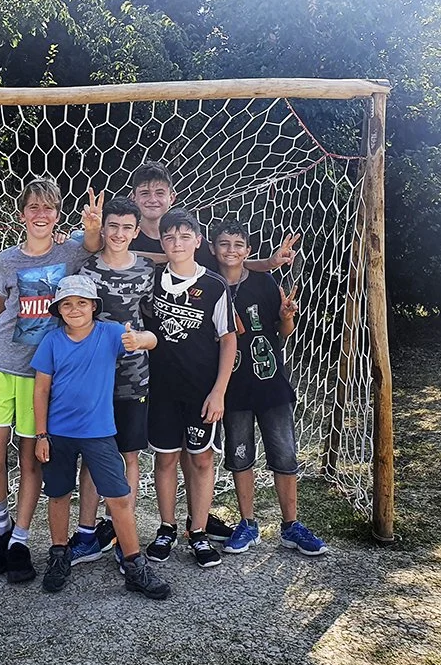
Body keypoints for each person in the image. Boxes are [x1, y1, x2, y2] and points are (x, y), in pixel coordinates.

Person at [128, 161, 299, 542]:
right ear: (134, 200)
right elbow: (101, 251)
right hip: (153, 372)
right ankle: (158, 525)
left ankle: (198, 522)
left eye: (160, 192)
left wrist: (270, 264)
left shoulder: (197, 251)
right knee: (162, 454)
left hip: (202, 374)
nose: (153, 199)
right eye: (145, 193)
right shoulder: (127, 232)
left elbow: (231, 261)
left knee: (199, 454)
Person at [0, 179, 102, 584]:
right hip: (0, 364)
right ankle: (0, 527)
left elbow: (98, 244)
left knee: (32, 459)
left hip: (41, 373)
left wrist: (92, 224)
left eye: (48, 207)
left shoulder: (69, 251)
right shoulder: (6, 259)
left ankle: (20, 539)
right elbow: (1, 306)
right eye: (33, 207)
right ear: (22, 215)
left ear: (58, 215)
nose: (41, 214)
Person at [31, 274, 171, 599]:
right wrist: (41, 435)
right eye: (67, 304)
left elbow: (153, 339)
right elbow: (40, 390)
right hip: (58, 434)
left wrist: (139, 340)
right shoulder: (51, 341)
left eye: (82, 303)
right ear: (58, 309)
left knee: (119, 497)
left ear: (94, 306)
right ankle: (59, 554)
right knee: (58, 495)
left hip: (99, 433)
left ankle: (134, 564)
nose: (75, 309)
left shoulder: (110, 333)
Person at [210, 219, 328, 556]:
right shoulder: (209, 285)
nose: (231, 250)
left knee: (285, 455)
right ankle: (248, 523)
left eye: (238, 245)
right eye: (224, 244)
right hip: (233, 388)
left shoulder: (264, 282)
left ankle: (291, 526)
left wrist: (287, 315)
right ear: (213, 249)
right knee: (240, 456)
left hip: (271, 384)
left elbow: (283, 332)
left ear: (248, 250)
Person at [144, 210, 238, 568]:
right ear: (162, 242)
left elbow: (228, 339)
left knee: (201, 459)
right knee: (165, 459)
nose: (177, 243)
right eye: (169, 237)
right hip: (161, 389)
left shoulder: (214, 285)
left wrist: (219, 391)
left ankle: (197, 531)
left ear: (198, 241)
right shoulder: (151, 280)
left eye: (185, 236)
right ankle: (166, 527)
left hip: (201, 391)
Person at [69, 197, 152, 570]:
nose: (118, 233)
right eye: (112, 226)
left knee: (129, 455)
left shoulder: (147, 270)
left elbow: (154, 320)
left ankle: (122, 534)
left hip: (134, 376)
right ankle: (87, 534)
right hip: (93, 378)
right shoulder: (85, 269)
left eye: (126, 227)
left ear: (136, 231)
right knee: (92, 455)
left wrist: (142, 340)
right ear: (103, 229)